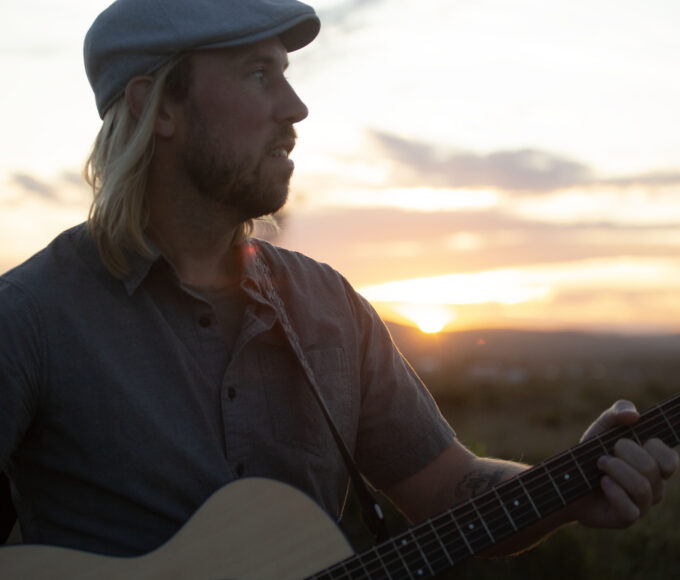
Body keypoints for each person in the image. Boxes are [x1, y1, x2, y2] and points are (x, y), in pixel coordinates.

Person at [0, 0, 677, 567]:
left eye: (287, 76)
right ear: (159, 107)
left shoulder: (329, 308)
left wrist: (572, 486)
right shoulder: (30, 318)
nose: (295, 108)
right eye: (258, 74)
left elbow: (447, 487)